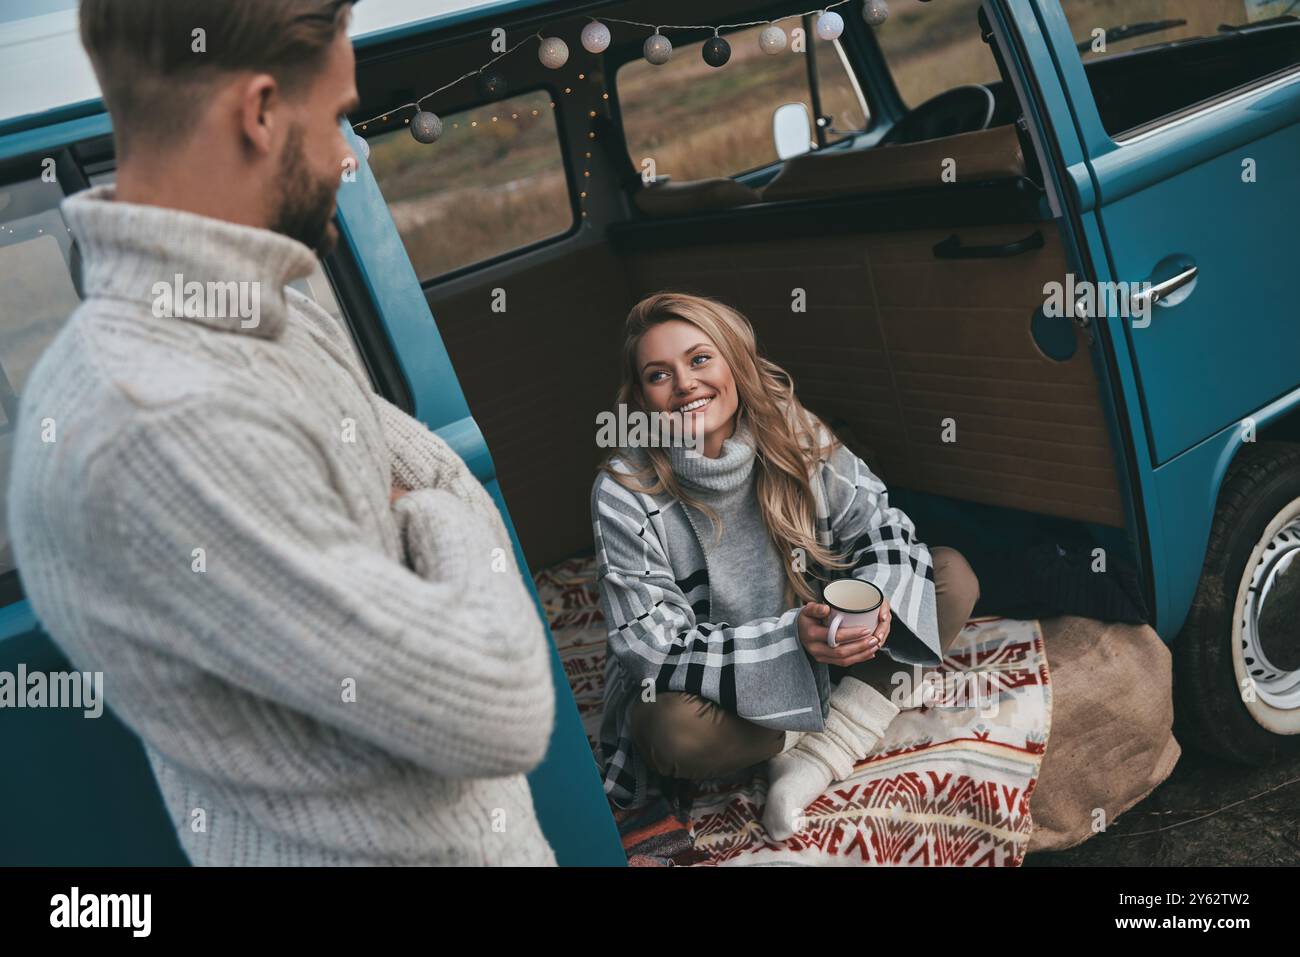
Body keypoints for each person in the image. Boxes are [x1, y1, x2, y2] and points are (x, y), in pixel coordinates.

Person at [6, 0, 557, 866]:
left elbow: (428, 469)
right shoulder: (151, 425)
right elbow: (501, 706)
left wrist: (414, 499)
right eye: (338, 116)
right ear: (260, 112)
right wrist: (433, 516)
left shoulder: (277, 316)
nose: (351, 155)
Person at [591, 292, 980, 840]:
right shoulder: (622, 489)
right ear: (642, 397)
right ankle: (838, 719)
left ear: (735, 361)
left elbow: (881, 525)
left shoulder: (792, 430)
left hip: (826, 635)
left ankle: (811, 761)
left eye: (700, 359)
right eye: (659, 374)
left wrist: (876, 606)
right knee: (666, 731)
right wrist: (793, 641)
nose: (684, 384)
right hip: (726, 678)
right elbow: (652, 648)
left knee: (949, 576)